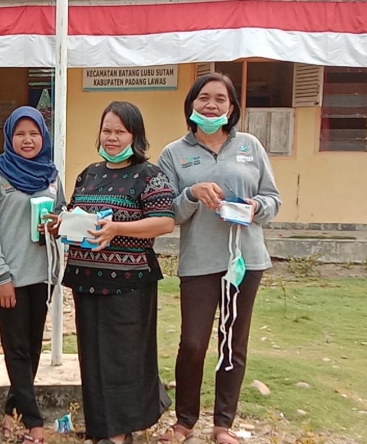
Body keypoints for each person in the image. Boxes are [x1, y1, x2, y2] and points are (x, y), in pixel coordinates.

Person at [157, 73, 281, 444]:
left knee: (233, 343)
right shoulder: (174, 154)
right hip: (199, 262)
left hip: (246, 261)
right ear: (191, 105)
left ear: (231, 108)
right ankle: (184, 421)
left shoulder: (250, 146)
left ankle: (223, 424)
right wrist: (192, 193)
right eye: (203, 98)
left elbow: (273, 199)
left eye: (220, 100)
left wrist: (255, 206)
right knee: (193, 343)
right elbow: (169, 213)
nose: (211, 105)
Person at [58, 101, 176, 444]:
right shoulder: (89, 173)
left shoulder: (149, 175)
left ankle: (122, 432)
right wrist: (60, 224)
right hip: (86, 281)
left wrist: (117, 230)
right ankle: (100, 428)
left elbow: (165, 221)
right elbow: (76, 213)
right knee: (92, 358)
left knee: (123, 358)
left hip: (129, 285)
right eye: (106, 130)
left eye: (119, 131)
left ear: (135, 136)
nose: (111, 137)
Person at [0, 106, 65, 444]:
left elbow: (61, 214)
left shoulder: (51, 174)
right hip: (8, 279)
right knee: (16, 348)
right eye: (20, 134)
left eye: (34, 133)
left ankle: (12, 413)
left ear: (43, 136)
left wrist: (58, 224)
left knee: (33, 348)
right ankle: (35, 422)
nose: (28, 140)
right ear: (9, 137)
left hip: (41, 276)